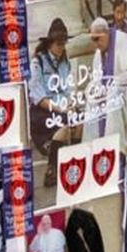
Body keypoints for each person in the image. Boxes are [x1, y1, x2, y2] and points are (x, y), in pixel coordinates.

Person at [28, 18, 81, 187]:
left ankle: (74, 162)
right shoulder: (38, 62)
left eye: (63, 44)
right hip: (42, 110)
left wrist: (71, 103)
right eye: (58, 44)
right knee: (63, 124)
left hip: (60, 106)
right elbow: (38, 96)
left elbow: (67, 88)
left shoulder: (65, 63)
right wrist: (59, 109)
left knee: (79, 120)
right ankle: (52, 168)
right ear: (50, 43)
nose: (61, 48)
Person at [83, 17, 127, 146]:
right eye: (93, 39)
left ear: (106, 34)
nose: (96, 43)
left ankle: (116, 145)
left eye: (97, 39)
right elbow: (96, 78)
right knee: (92, 101)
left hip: (124, 89)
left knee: (112, 96)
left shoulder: (121, 40)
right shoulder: (98, 52)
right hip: (107, 93)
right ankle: (94, 144)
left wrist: (114, 83)